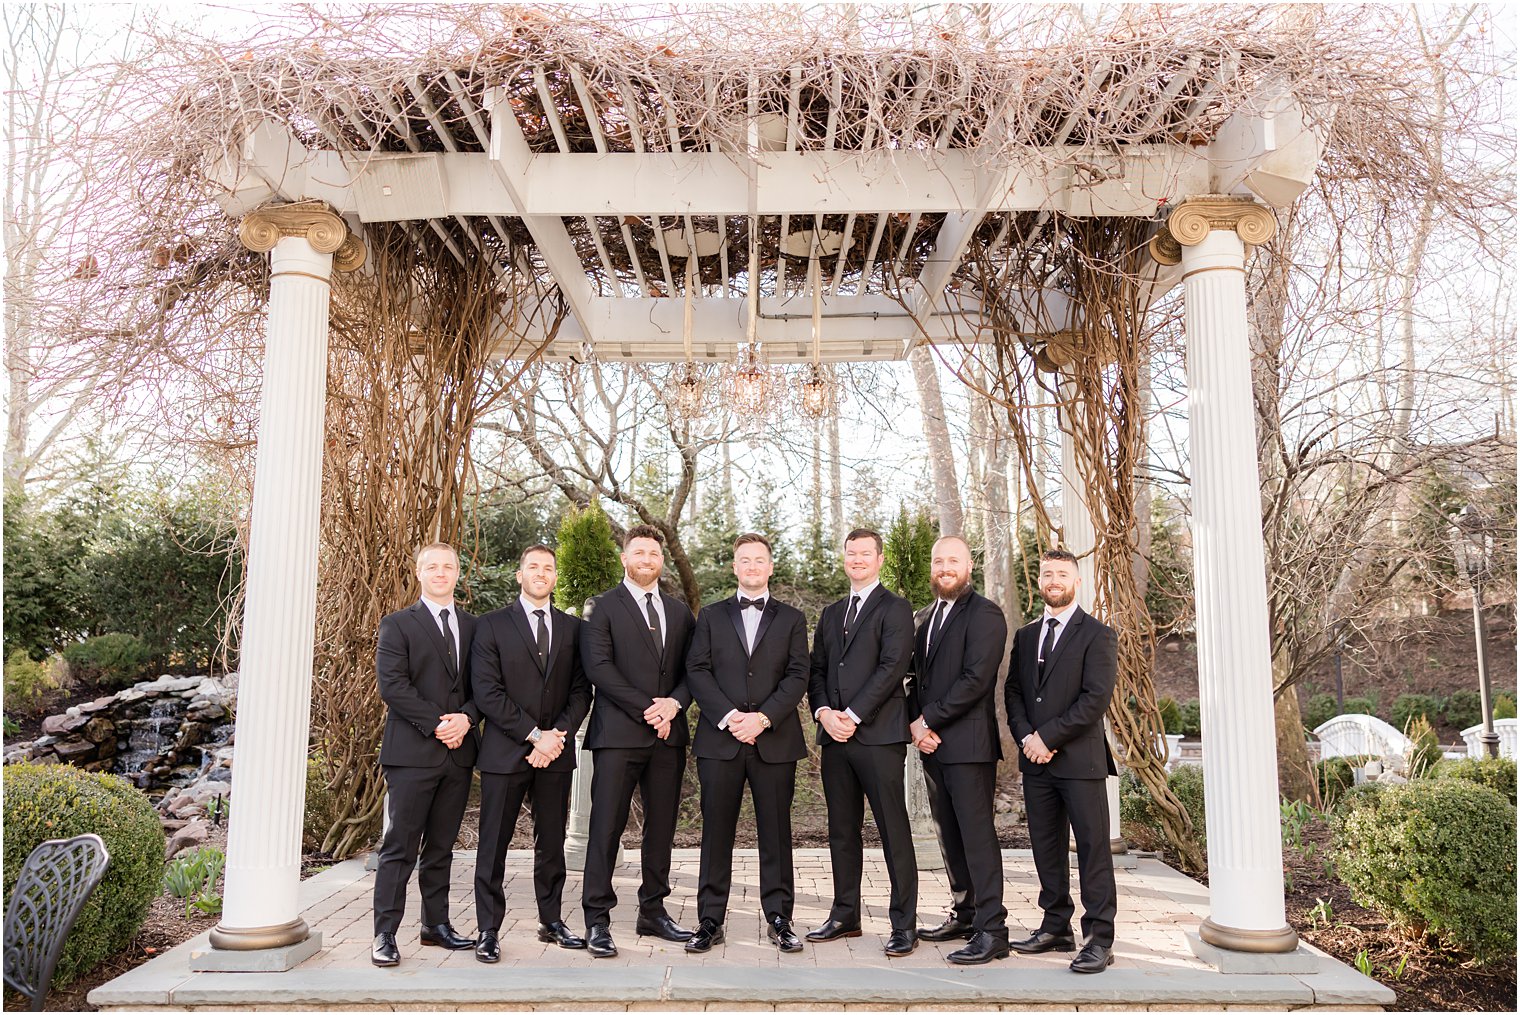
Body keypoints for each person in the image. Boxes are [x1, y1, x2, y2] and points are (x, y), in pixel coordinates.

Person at [684, 533, 810, 955]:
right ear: (734, 567)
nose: (752, 566)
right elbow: (697, 670)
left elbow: (798, 676)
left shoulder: (792, 619)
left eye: (760, 560)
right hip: (720, 741)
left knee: (776, 832)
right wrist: (729, 717)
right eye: (744, 560)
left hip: (775, 740)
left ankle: (779, 918)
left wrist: (763, 717)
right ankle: (709, 919)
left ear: (771, 567)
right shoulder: (711, 616)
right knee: (716, 832)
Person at [470, 544, 593, 962]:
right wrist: (533, 735)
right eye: (533, 567)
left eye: (548, 568)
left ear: (555, 577)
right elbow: (487, 692)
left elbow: (581, 690)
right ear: (519, 575)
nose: (541, 573)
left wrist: (556, 736)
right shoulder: (490, 626)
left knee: (552, 843)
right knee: (493, 845)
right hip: (505, 751)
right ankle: (488, 928)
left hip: (555, 753)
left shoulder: (574, 629)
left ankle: (552, 920)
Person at [579, 524, 696, 958]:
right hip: (618, 734)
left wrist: (674, 706)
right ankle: (597, 919)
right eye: (638, 553)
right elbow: (599, 668)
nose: (646, 560)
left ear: (661, 560)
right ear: (624, 558)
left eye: (653, 554)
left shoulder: (680, 612)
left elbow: (693, 672)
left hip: (668, 736)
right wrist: (651, 708)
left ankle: (653, 911)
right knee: (606, 827)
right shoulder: (600, 607)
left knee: (661, 827)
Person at [1004, 547, 1120, 974]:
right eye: (1047, 573)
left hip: (1079, 763)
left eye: (1062, 574)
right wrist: (1026, 739)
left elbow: (1094, 700)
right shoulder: (1026, 636)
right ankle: (1056, 926)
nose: (1054, 580)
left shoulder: (1098, 635)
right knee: (1045, 849)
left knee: (1092, 852)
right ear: (1039, 581)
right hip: (1036, 764)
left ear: (1077, 581)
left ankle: (1098, 938)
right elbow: (1013, 693)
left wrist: (1047, 738)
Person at [805, 528, 919, 957]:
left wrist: (852, 715)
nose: (857, 559)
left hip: (877, 735)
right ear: (844, 557)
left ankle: (904, 924)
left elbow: (892, 668)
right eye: (851, 552)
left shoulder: (896, 609)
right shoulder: (832, 612)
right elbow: (816, 670)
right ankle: (845, 915)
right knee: (841, 830)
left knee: (893, 829)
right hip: (834, 737)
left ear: (879, 559)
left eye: (865, 553)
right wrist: (823, 713)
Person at [371, 542, 480, 967]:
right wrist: (440, 723)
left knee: (441, 848)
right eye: (432, 566)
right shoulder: (398, 625)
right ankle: (385, 934)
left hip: (458, 754)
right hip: (413, 752)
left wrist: (467, 720)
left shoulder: (474, 627)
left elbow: (484, 687)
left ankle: (435, 925)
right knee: (399, 847)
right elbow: (393, 687)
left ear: (457, 573)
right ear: (419, 573)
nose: (440, 573)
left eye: (448, 566)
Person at [908, 535, 1011, 965]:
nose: (944, 567)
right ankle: (965, 913)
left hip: (968, 746)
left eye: (953, 560)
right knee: (948, 835)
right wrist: (916, 726)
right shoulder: (923, 616)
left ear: (969, 565)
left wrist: (927, 720)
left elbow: (976, 679)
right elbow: (912, 678)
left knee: (976, 836)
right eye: (938, 561)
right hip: (931, 745)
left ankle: (993, 929)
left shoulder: (986, 615)